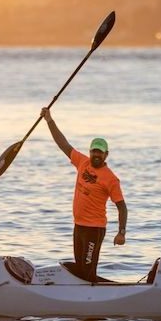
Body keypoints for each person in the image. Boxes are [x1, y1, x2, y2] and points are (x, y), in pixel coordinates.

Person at [40, 107, 128, 282]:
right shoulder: (82, 162)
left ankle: (94, 298)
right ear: (90, 152)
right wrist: (49, 120)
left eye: (100, 152)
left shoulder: (111, 179)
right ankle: (86, 296)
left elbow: (122, 208)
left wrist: (121, 232)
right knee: (80, 269)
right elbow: (62, 143)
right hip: (78, 226)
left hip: (94, 229)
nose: (96, 154)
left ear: (106, 155)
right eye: (94, 151)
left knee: (86, 272)